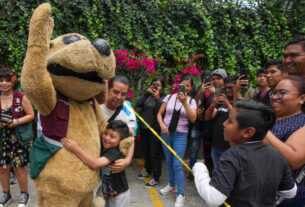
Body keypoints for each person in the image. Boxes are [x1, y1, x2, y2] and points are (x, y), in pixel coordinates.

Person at [193, 100, 297, 207]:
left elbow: (213, 198)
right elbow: (290, 192)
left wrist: (199, 169)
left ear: (248, 132)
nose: (224, 123)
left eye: (229, 121)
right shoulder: (276, 154)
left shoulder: (233, 155)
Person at [62, 120, 131, 207]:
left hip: (119, 196)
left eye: (112, 136)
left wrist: (76, 149)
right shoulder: (104, 147)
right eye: (105, 133)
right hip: (109, 193)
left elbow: (95, 164)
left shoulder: (115, 152)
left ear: (121, 141)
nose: (107, 138)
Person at [263, 75, 305, 206]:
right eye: (274, 92)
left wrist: (258, 128)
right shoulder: (270, 116)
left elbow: (292, 161)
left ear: (302, 98)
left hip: (284, 198)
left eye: (282, 93)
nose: (275, 97)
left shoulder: (302, 122)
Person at [157, 76, 197, 207]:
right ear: (178, 85)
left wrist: (184, 102)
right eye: (182, 84)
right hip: (166, 134)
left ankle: (181, 194)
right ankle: (171, 185)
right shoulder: (168, 97)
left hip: (180, 136)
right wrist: (162, 125)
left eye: (188, 85)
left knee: (177, 165)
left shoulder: (191, 101)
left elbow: (193, 119)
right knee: (169, 161)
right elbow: (159, 114)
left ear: (191, 88)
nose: (185, 87)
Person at [0, 67, 35, 207]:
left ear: (13, 82)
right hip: (2, 139)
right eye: (1, 80)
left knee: (19, 168)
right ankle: (5, 194)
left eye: (7, 81)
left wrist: (17, 121)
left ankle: (24, 195)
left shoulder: (21, 97)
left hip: (18, 138)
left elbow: (31, 115)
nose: (4, 83)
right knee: (3, 168)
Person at [100, 76, 136, 173]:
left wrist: (127, 161)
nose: (119, 97)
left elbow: (130, 139)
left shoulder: (128, 112)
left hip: (112, 159)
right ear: (108, 89)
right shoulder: (96, 105)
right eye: (115, 92)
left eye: (123, 94)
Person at [135, 77, 165, 188]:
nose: (156, 86)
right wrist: (146, 93)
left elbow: (161, 113)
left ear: (162, 87)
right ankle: (148, 171)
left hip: (154, 130)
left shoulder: (163, 98)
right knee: (146, 152)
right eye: (154, 84)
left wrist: (157, 98)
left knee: (154, 154)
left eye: (159, 85)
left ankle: (156, 178)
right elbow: (138, 104)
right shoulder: (147, 96)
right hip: (144, 128)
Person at [205, 76, 236, 167]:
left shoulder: (241, 102)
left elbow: (236, 118)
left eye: (230, 88)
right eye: (225, 88)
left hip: (230, 149)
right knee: (217, 174)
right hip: (216, 146)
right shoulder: (220, 103)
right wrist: (213, 104)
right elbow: (207, 118)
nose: (227, 90)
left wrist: (227, 103)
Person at [187, 70, 212, 181]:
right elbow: (192, 103)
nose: (208, 81)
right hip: (197, 124)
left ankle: (208, 172)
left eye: (210, 79)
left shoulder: (215, 90)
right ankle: (192, 172)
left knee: (209, 151)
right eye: (205, 79)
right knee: (193, 149)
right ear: (202, 80)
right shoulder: (197, 90)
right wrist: (200, 91)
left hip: (209, 126)